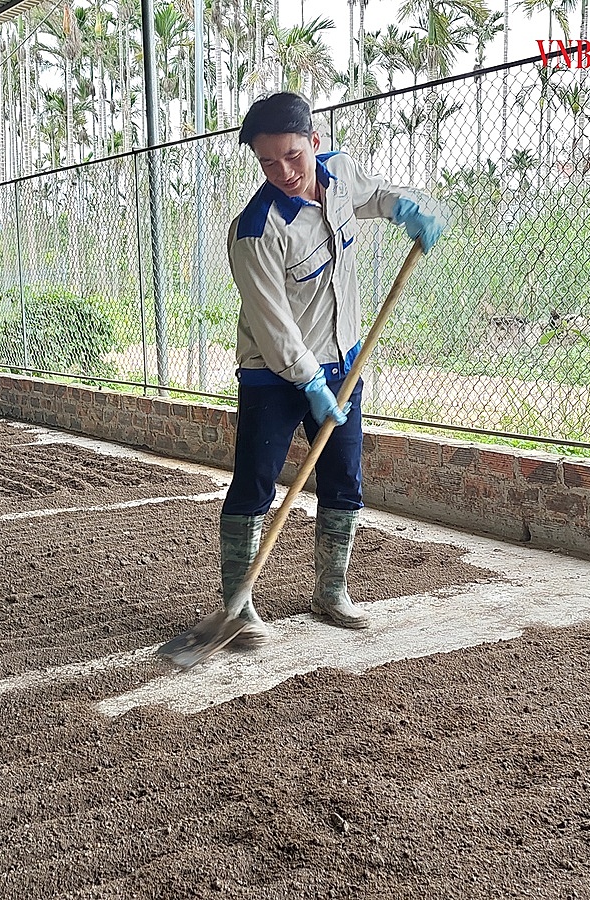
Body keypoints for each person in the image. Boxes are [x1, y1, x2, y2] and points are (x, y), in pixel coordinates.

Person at [221, 91, 443, 647]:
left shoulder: (338, 174)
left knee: (344, 478)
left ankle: (331, 590)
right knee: (256, 482)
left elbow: (375, 197)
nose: (283, 171)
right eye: (267, 162)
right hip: (274, 373)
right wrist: (310, 384)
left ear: (314, 144)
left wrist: (407, 209)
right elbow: (274, 328)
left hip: (344, 362)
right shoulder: (256, 230)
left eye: (293, 156)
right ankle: (238, 603)